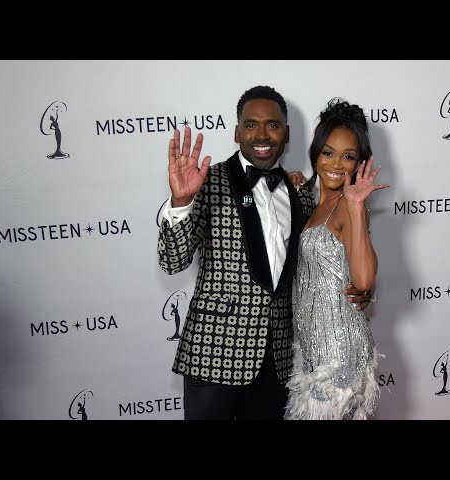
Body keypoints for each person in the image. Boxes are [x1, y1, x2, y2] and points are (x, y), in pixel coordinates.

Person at [157, 86, 373, 420]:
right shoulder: (207, 182)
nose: (261, 134)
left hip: (278, 364)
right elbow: (172, 260)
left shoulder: (302, 194)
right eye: (250, 124)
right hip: (213, 358)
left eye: (272, 125)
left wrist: (360, 288)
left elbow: (321, 263)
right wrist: (182, 202)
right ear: (236, 131)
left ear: (286, 135)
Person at [285, 98, 388, 420]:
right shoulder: (315, 204)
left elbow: (364, 281)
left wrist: (357, 206)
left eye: (348, 156)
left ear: (360, 163)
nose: (335, 164)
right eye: (328, 152)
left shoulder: (348, 205)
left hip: (339, 350)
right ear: (316, 153)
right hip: (313, 346)